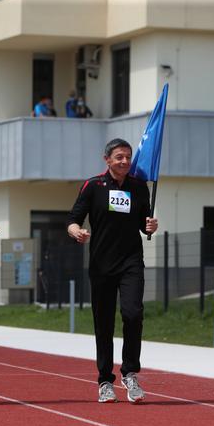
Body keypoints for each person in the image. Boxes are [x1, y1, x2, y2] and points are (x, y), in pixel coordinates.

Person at [66, 138, 158, 404]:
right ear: (107, 159)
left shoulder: (139, 187)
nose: (125, 162)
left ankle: (130, 372)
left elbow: (144, 224)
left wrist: (150, 226)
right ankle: (105, 380)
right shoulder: (93, 186)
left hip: (131, 261)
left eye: (128, 157)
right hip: (102, 264)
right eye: (119, 157)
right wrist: (76, 232)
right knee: (104, 323)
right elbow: (73, 218)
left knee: (133, 313)